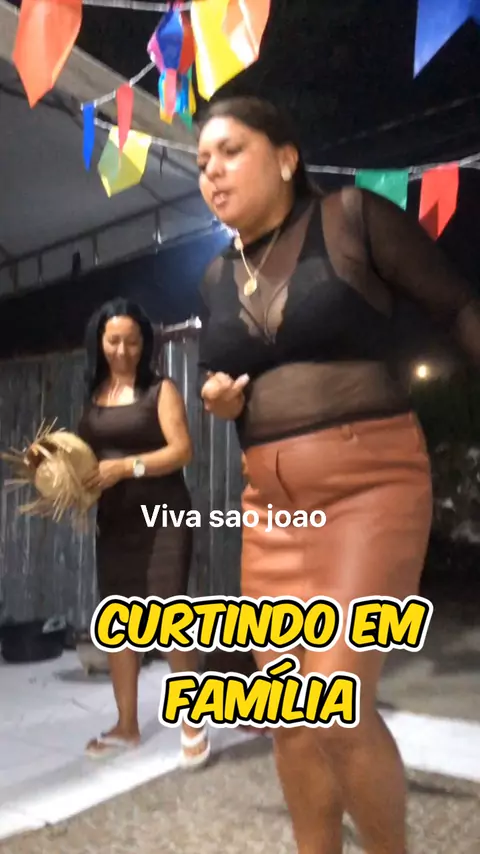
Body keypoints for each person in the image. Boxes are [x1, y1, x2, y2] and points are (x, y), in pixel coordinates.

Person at [195, 95, 480, 854]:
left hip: (369, 486)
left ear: (287, 157)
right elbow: (226, 381)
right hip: (270, 508)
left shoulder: (351, 218)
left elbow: (457, 304)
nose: (212, 171)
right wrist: (220, 399)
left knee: (337, 704)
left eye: (230, 151)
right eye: (201, 162)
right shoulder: (214, 276)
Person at [78, 298, 210, 768]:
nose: (122, 350)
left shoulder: (161, 390)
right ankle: (126, 725)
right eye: (113, 341)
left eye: (132, 342)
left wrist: (126, 467)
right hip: (114, 521)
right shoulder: (94, 394)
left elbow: (182, 450)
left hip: (163, 518)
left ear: (144, 343)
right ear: (99, 341)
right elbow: (82, 456)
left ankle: (193, 724)